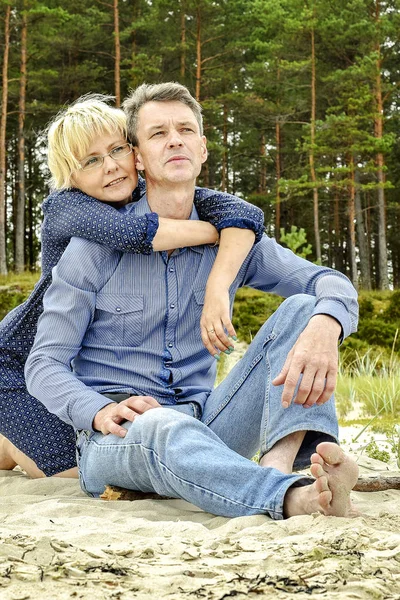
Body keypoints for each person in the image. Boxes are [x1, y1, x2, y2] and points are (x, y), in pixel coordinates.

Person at [26, 82, 360, 519]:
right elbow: (43, 363)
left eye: (185, 130)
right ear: (139, 157)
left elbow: (329, 281)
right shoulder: (93, 247)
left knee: (304, 310)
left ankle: (280, 460)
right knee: (162, 424)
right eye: (158, 133)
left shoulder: (235, 241)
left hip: (208, 421)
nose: (175, 139)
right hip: (117, 437)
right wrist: (98, 409)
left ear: (202, 149)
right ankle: (288, 496)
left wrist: (325, 326)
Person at [0, 94, 265, 478]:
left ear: (134, 152)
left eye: (117, 150)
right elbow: (132, 232)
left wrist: (227, 240)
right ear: (71, 176)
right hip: (14, 364)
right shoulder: (67, 208)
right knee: (67, 470)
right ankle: (9, 443)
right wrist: (216, 233)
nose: (109, 167)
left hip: (61, 367)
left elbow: (243, 213)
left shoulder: (144, 194)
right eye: (91, 161)